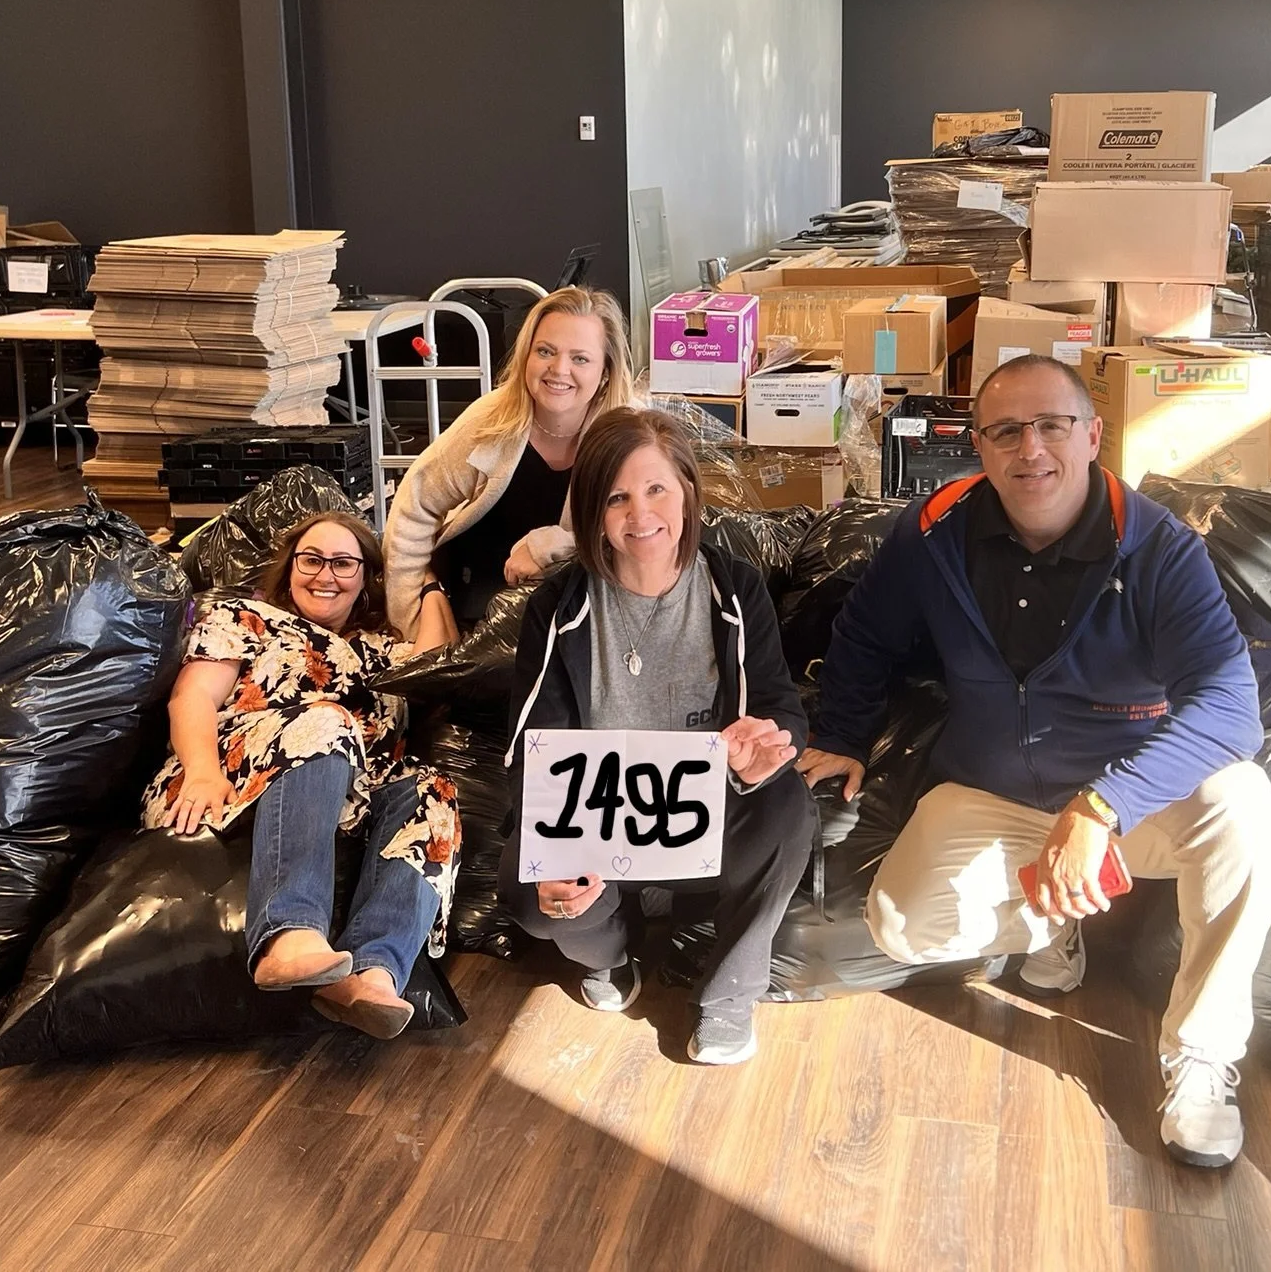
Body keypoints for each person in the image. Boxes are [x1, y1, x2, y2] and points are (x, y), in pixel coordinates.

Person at [798, 354, 1271, 1168]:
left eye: (1053, 426)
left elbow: (1233, 709)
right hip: (996, 793)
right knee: (898, 926)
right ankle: (1051, 916)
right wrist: (843, 734)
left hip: (1132, 804)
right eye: (1006, 431)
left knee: (1246, 808)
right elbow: (864, 636)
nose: (1032, 450)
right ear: (978, 448)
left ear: (1093, 436)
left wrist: (1101, 808)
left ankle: (1201, 1056)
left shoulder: (1158, 549)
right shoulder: (930, 536)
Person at [498, 407, 815, 1066]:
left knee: (790, 809)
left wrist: (760, 755)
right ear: (591, 512)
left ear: (687, 495)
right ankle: (612, 960)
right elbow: (533, 742)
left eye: (656, 490)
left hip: (707, 819)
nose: (639, 514)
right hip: (599, 826)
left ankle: (730, 995)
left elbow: (778, 706)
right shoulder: (557, 608)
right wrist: (553, 845)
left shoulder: (733, 588)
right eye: (617, 497)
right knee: (527, 888)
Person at [139, 510, 460, 1040]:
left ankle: (372, 973)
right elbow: (192, 695)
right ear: (289, 568)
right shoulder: (245, 617)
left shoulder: (382, 650)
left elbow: (439, 656)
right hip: (231, 774)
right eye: (311, 560)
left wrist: (426, 583)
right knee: (323, 720)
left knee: (434, 791)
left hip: (353, 794)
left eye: (343, 563)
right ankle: (288, 934)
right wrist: (200, 770)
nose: (325, 575)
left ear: (366, 578)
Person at [383, 286, 637, 639]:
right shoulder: (490, 420)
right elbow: (415, 506)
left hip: (574, 625)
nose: (559, 370)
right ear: (526, 356)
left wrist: (555, 546)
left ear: (606, 370)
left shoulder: (628, 437)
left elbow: (645, 537)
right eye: (545, 351)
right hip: (472, 618)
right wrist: (411, 621)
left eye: (580, 358)